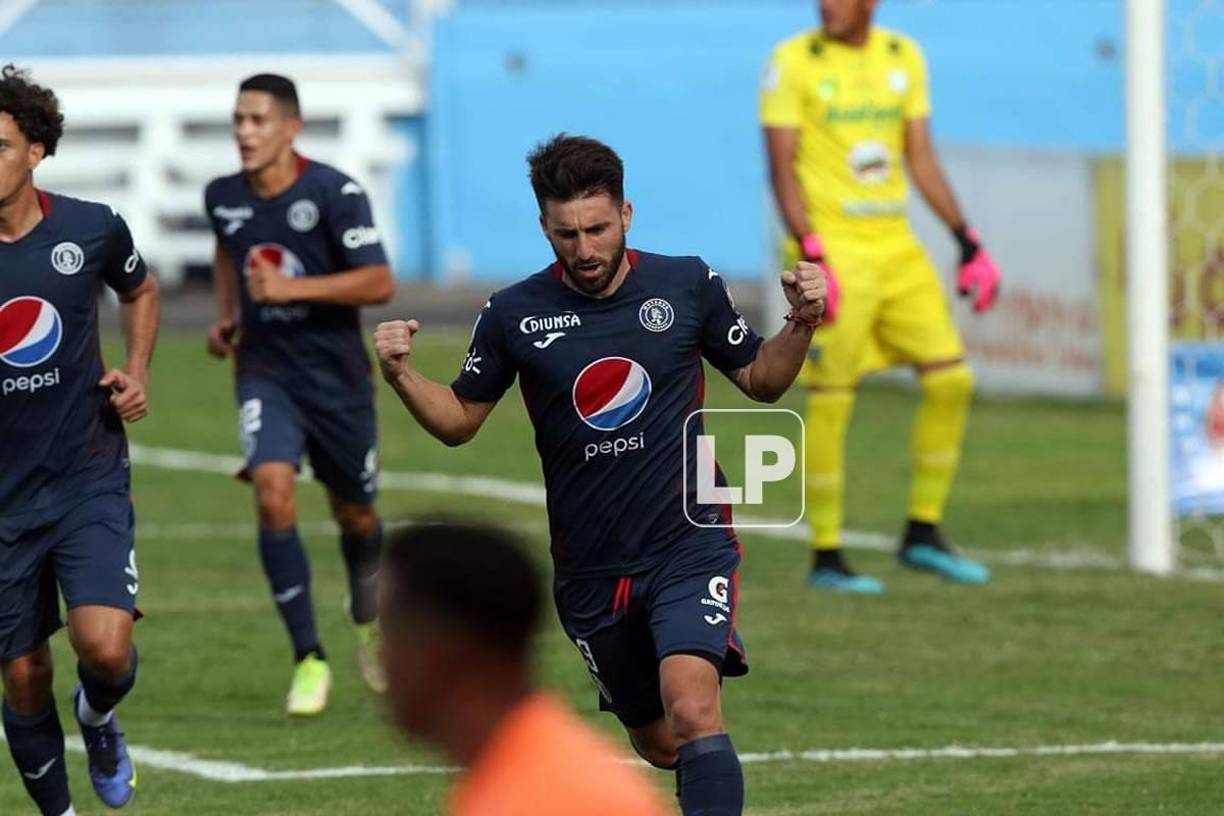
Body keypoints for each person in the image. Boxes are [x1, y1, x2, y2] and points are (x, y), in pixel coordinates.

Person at [374, 134, 826, 816]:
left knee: (695, 707)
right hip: (590, 568)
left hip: (688, 542)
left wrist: (802, 320)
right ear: (544, 228)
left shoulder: (686, 284)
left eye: (597, 228)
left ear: (626, 215)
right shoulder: (513, 314)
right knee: (661, 742)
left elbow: (762, 379)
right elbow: (460, 420)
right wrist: (402, 374)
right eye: (566, 234)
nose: (584, 249)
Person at [761, 0, 1000, 593]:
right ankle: (826, 556)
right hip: (835, 251)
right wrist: (810, 251)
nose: (825, 6)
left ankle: (923, 531)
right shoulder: (791, 62)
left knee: (951, 379)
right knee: (835, 396)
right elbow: (781, 167)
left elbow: (920, 156)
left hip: (899, 249)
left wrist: (966, 238)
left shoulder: (904, 55)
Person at [203, 73, 396, 715]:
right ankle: (308, 658)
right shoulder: (223, 196)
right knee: (273, 490)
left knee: (357, 517)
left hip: (336, 381)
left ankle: (369, 615)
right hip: (266, 375)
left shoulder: (334, 192)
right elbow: (230, 251)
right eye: (238, 120)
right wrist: (229, 314)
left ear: (291, 127)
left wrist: (292, 291)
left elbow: (377, 281)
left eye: (258, 120)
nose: (245, 133)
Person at [0, 64, 160, 814]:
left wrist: (134, 369)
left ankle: (97, 716)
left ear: (36, 151)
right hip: (2, 503)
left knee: (105, 648)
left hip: (84, 478)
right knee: (24, 674)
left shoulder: (91, 228)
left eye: (0, 145)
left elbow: (141, 288)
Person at [381, 520, 670, 816]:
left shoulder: (556, 797)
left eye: (390, 638)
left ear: (440, 651)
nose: (381, 662)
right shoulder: (511, 772)